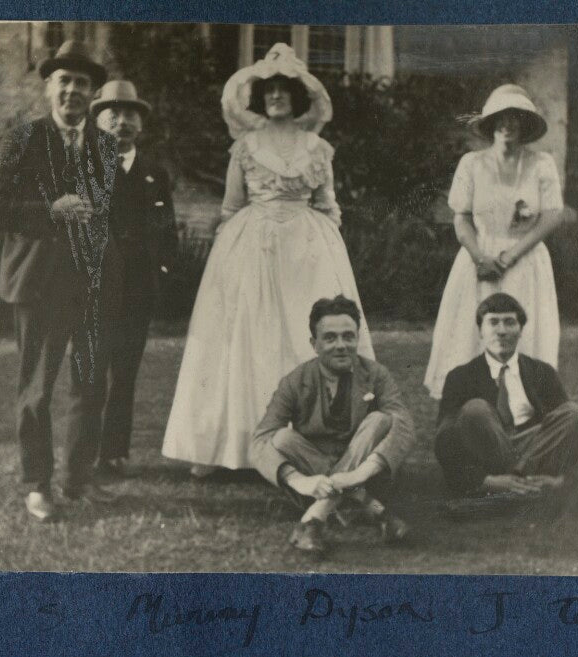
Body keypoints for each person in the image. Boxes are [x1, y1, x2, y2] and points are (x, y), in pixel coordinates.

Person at [162, 43, 373, 477]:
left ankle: (311, 441)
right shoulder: (245, 147)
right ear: (260, 97)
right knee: (244, 337)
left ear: (299, 98)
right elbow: (230, 206)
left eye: (285, 89)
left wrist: (327, 249)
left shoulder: (317, 147)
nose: (277, 95)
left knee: (305, 332)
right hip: (252, 246)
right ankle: (228, 445)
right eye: (270, 89)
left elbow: (328, 204)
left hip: (307, 249)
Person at [0, 40, 120, 521]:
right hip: (37, 283)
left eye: (82, 83)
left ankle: (78, 480)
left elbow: (107, 213)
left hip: (89, 286)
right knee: (37, 391)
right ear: (49, 88)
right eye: (64, 81)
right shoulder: (21, 139)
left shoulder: (104, 145)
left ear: (93, 93)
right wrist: (50, 211)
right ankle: (38, 485)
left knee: (88, 387)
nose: (73, 91)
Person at [424, 84, 568, 400]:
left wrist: (511, 256)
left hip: (525, 258)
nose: (507, 124)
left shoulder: (541, 163)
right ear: (490, 124)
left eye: (515, 117)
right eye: (500, 118)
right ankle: (472, 402)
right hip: (479, 260)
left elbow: (552, 214)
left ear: (525, 124)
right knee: (470, 334)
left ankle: (525, 402)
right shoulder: (471, 164)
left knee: (525, 331)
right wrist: (480, 257)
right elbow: (460, 216)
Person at [250, 295, 414, 554]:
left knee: (380, 420)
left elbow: (404, 425)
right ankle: (371, 506)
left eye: (348, 336)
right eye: (330, 338)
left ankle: (312, 520)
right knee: (281, 438)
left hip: (365, 474)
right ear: (314, 344)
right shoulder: (295, 381)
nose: (341, 345)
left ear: (357, 339)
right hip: (313, 480)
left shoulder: (375, 374)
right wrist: (298, 481)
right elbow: (260, 440)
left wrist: (358, 475)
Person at [90, 80, 177, 478]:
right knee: (92, 369)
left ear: (141, 123)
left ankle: (113, 452)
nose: (122, 122)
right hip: (95, 286)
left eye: (130, 115)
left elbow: (167, 231)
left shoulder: (154, 174)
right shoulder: (85, 167)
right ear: (99, 120)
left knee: (125, 371)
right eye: (113, 113)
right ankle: (85, 450)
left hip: (138, 287)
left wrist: (164, 274)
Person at [434, 293, 578, 497]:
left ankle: (517, 481)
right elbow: (445, 438)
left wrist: (562, 481)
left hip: (534, 447)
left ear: (521, 330)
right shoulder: (460, 377)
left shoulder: (542, 372)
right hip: (487, 452)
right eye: (493, 323)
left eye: (509, 323)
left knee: (575, 415)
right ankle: (519, 482)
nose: (501, 331)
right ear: (480, 331)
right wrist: (484, 481)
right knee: (475, 410)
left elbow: (570, 437)